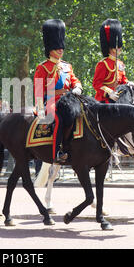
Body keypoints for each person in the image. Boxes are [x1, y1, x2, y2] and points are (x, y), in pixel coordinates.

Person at [34, 19, 83, 163]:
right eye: (57, 47)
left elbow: (75, 80)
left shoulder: (67, 66)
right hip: (51, 102)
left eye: (61, 47)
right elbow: (38, 91)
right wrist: (40, 109)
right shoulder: (42, 68)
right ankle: (57, 151)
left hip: (70, 100)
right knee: (59, 119)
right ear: (50, 48)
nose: (61, 49)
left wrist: (78, 87)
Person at [93, 19, 134, 103]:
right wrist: (108, 93)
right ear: (110, 47)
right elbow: (97, 84)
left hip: (119, 98)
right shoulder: (103, 64)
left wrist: (128, 83)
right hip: (105, 101)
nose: (119, 48)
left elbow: (122, 80)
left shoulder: (120, 63)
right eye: (117, 46)